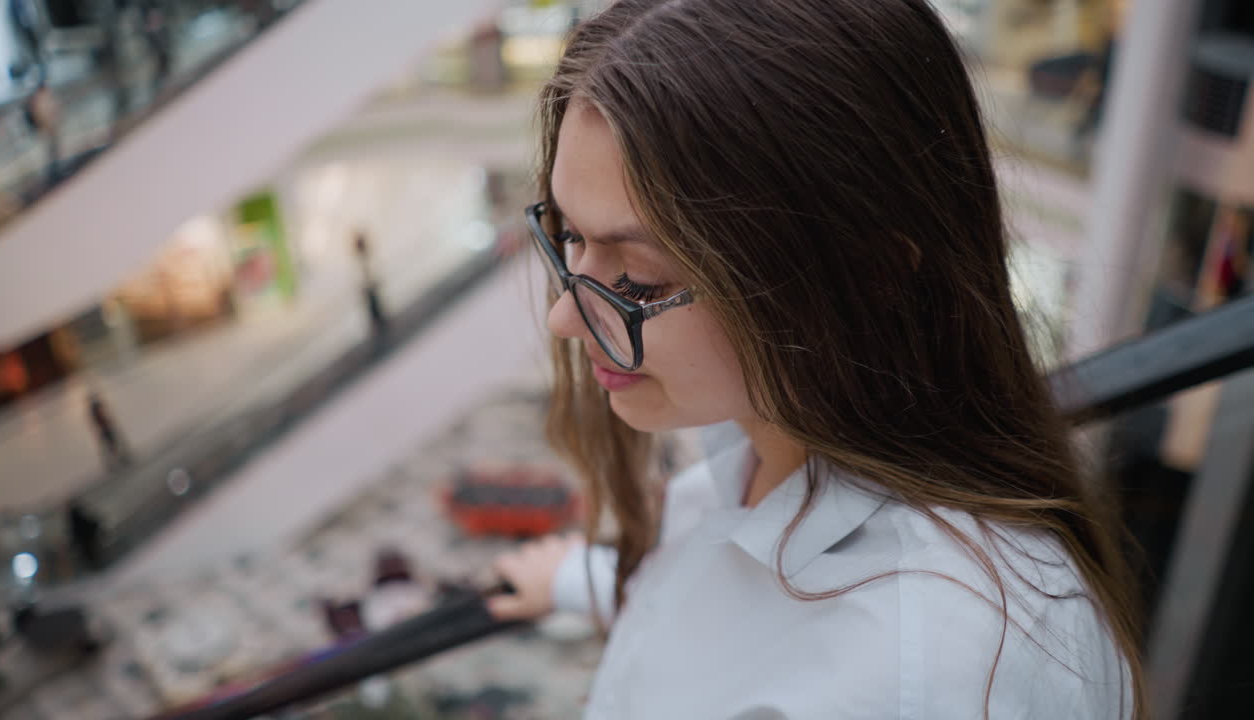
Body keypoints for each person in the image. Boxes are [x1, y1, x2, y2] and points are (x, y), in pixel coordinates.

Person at [487, 1, 1144, 718]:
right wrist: (585, 581)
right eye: (568, 236)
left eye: (639, 281)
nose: (562, 319)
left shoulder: (925, 672)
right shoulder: (756, 455)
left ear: (868, 274)